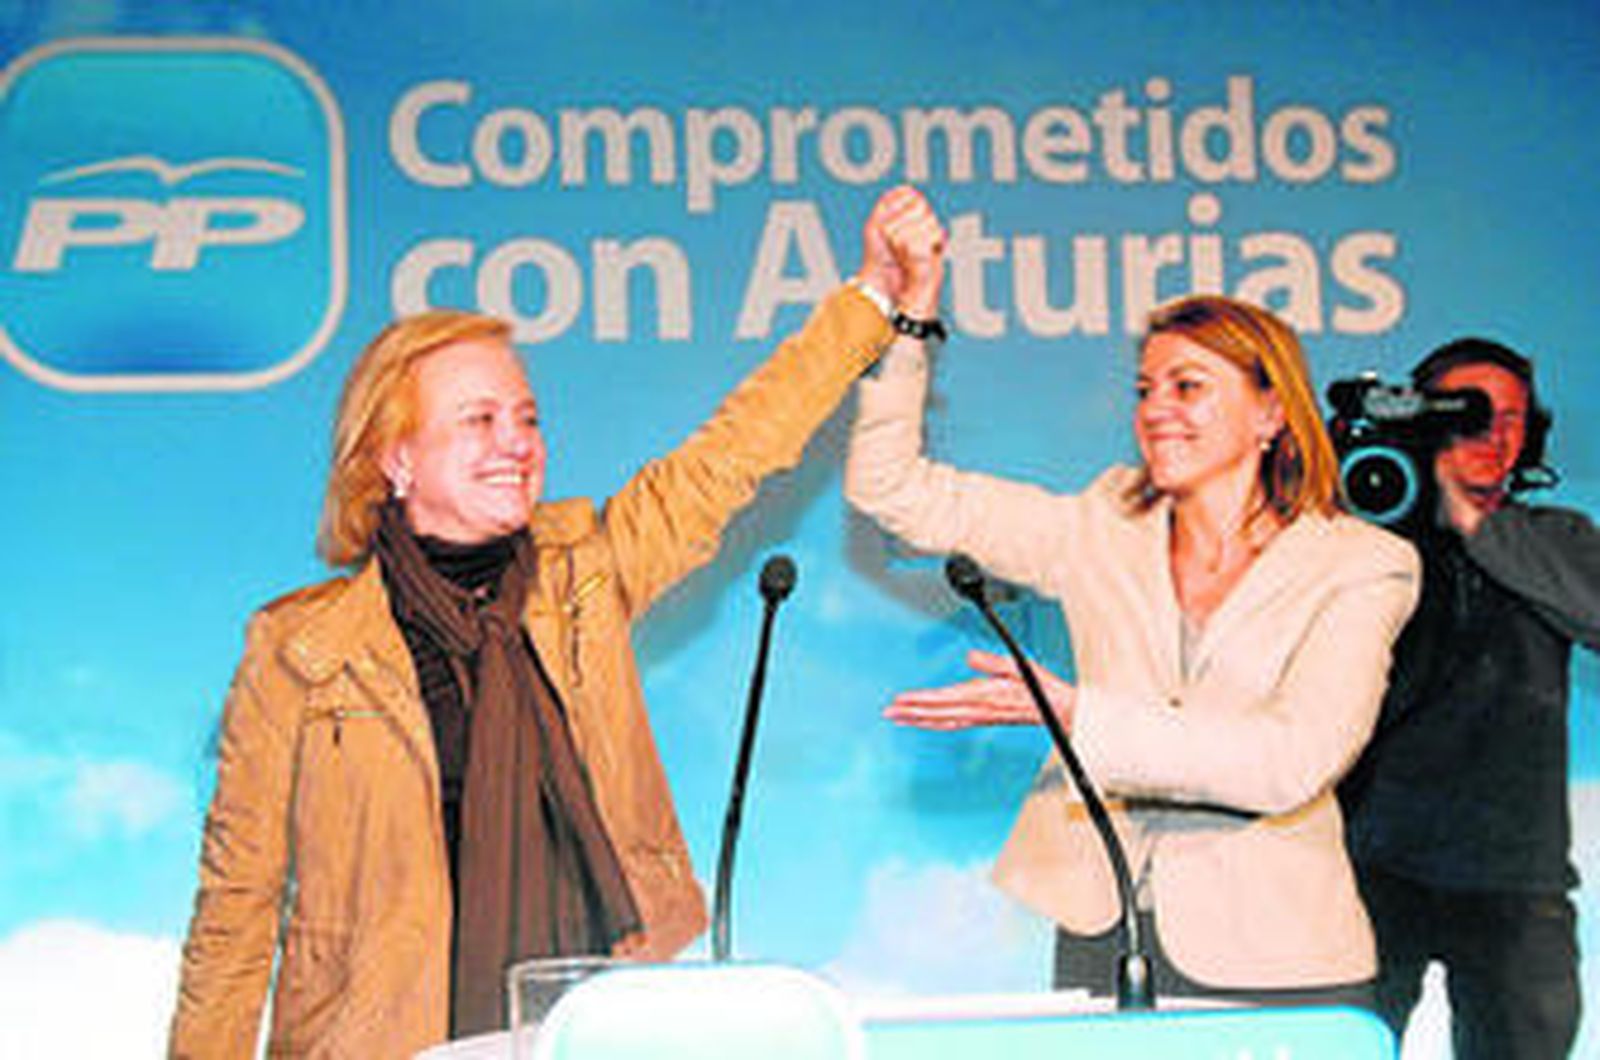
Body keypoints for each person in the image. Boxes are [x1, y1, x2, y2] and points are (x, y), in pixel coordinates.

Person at [168, 186, 941, 1058]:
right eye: (479, 420)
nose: (517, 442)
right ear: (395, 457)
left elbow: (736, 449)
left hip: (596, 1032)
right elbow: (234, 913)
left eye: (527, 418)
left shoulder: (585, 577)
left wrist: (870, 296)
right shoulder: (297, 651)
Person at [845, 191, 1420, 1004]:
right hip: (1102, 935)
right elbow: (891, 489)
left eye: (1188, 387)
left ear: (1273, 413)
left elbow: (1291, 761)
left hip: (1280, 959)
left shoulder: (1365, 564)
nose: (1156, 412)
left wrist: (1084, 716)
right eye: (1146, 390)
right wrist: (909, 318)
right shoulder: (1101, 522)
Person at [1339, 338, 1600, 1059]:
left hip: (1516, 877)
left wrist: (1471, 517)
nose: (1495, 432)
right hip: (1374, 864)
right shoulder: (1364, 541)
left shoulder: (1559, 539)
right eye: (1472, 412)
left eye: (1513, 416)